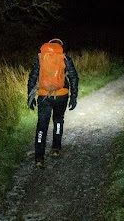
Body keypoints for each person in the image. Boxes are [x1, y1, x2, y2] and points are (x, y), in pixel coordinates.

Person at [27, 38, 79, 168]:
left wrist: (30, 97)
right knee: (58, 120)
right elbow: (73, 77)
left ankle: (39, 158)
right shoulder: (64, 58)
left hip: (44, 96)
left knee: (41, 126)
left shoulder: (41, 58)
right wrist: (73, 97)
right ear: (61, 47)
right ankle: (56, 149)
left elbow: (32, 77)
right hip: (61, 96)